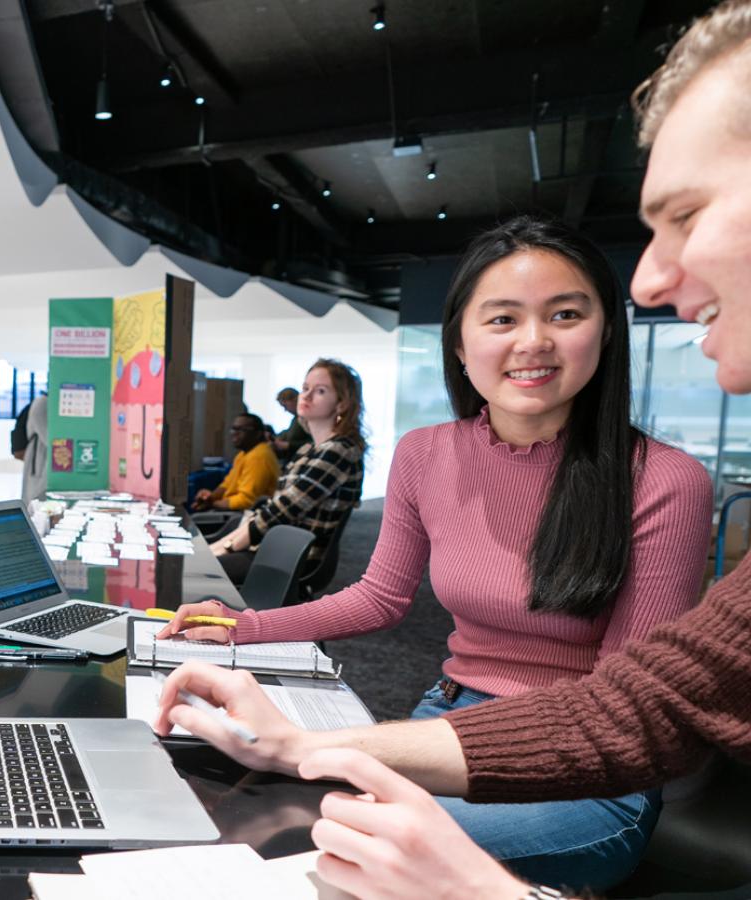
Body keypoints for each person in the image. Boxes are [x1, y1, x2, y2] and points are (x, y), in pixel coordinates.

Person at [155, 4, 751, 896]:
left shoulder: (662, 477)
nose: (533, 344)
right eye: (502, 319)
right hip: (453, 717)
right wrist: (245, 630)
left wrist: (313, 752)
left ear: (602, 338)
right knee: (264, 794)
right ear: (462, 345)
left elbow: (634, 716)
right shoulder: (431, 451)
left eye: (566, 315)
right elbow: (381, 594)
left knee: (298, 826)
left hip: (593, 776)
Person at [209, 361, 366, 587]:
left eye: (320, 391)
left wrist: (226, 547)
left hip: (292, 557)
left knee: (195, 574)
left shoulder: (340, 450)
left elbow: (285, 509)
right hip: (273, 547)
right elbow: (275, 505)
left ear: (341, 404)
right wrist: (222, 544)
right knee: (198, 562)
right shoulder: (307, 450)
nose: (307, 396)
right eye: (305, 388)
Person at [190, 413, 280, 512]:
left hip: (241, 515)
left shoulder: (259, 457)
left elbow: (247, 501)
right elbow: (227, 484)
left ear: (258, 433)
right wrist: (210, 497)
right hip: (231, 510)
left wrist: (211, 504)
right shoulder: (244, 454)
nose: (234, 433)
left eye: (241, 429)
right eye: (233, 429)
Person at [20, 391, 49, 504]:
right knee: (34, 494)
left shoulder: (47, 401)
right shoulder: (42, 402)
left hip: (42, 454)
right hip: (38, 455)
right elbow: (47, 435)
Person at [271, 387, 311, 460]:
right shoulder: (296, 419)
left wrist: (289, 445)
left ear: (295, 400)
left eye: (285, 406)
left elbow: (314, 442)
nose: (285, 410)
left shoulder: (306, 418)